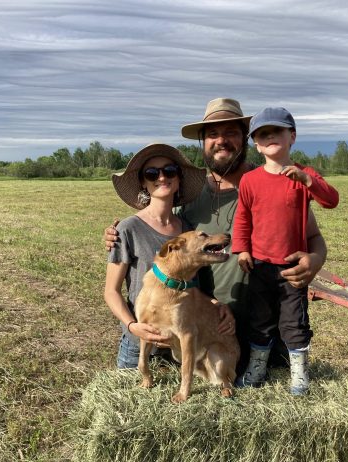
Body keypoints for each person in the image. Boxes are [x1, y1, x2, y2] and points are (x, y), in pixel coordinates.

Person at [105, 98, 327, 373]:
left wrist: (315, 260)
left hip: (263, 326)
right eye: (212, 134)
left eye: (231, 132)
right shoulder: (188, 199)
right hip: (208, 330)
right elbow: (153, 224)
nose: (221, 140)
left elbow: (314, 237)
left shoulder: (271, 184)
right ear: (202, 142)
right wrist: (116, 234)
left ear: (245, 139)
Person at [232, 107, 339, 394]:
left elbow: (332, 200)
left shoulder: (304, 175)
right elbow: (242, 218)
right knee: (261, 321)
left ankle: (299, 374)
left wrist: (309, 182)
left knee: (294, 322)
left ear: (292, 136)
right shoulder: (250, 180)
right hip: (259, 265)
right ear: (255, 144)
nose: (269, 137)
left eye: (276, 131)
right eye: (262, 134)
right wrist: (241, 250)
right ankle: (257, 369)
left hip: (292, 267)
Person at [104, 143, 221, 368]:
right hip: (138, 348)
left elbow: (193, 287)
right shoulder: (128, 229)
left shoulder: (187, 231)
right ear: (143, 183)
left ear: (178, 180)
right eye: (151, 173)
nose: (161, 177)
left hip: (179, 348)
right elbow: (111, 291)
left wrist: (216, 304)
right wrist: (132, 326)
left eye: (169, 171)